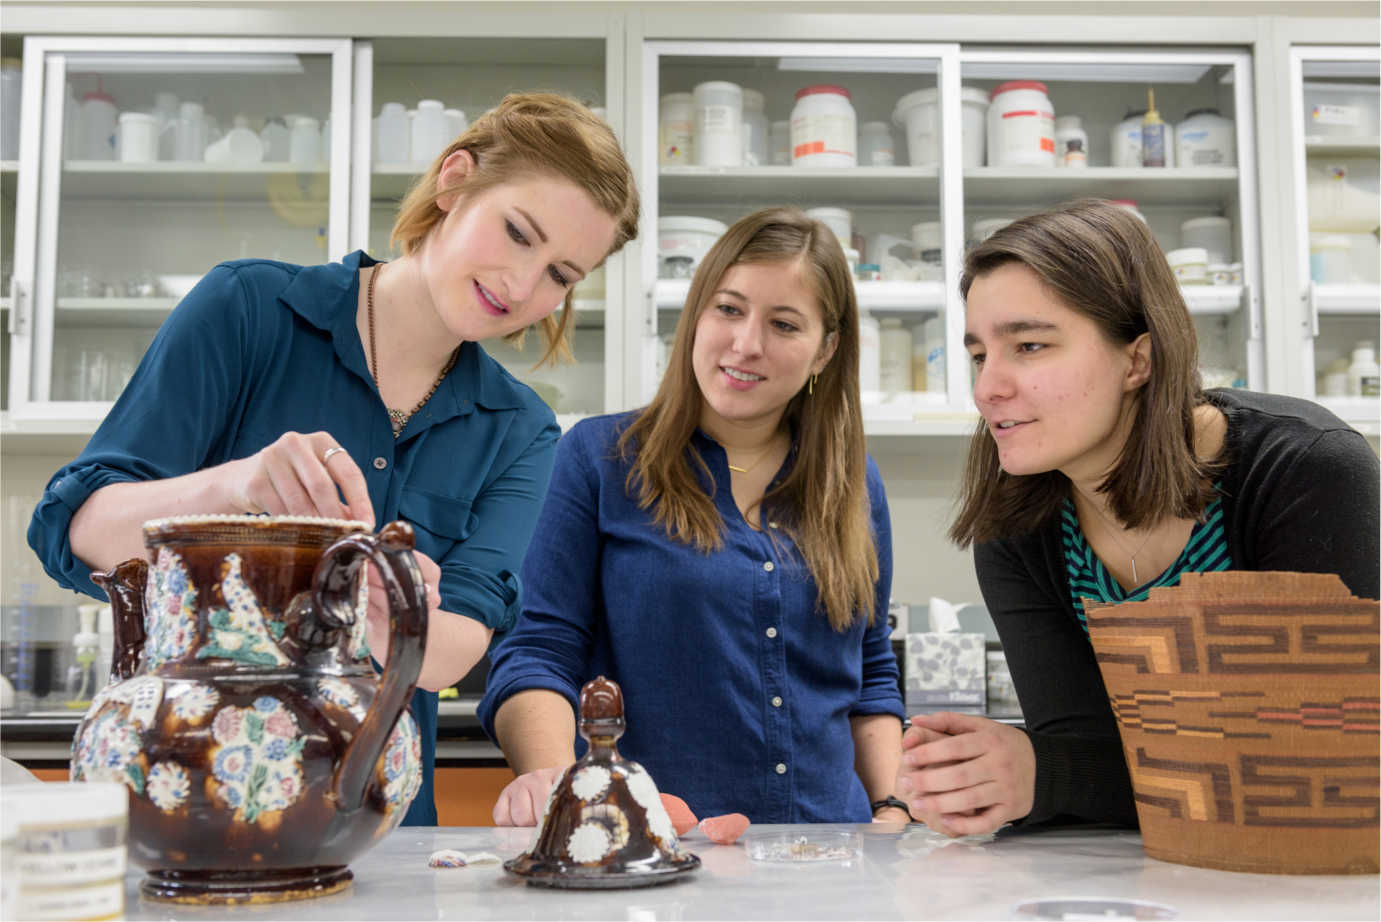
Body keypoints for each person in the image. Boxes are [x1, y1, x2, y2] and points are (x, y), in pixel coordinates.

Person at [27, 92, 640, 826]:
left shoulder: (520, 428)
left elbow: (452, 650)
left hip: (374, 821)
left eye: (561, 274)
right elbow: (76, 531)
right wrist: (238, 486)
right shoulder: (250, 310)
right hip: (184, 807)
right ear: (454, 182)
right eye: (515, 232)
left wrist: (387, 613)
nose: (522, 285)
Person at [897, 198, 1380, 836]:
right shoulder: (1019, 527)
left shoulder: (1305, 472)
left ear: (1138, 359)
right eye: (981, 355)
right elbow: (1088, 746)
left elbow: (1324, 760)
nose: (988, 388)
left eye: (1030, 345)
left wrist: (1048, 773)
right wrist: (1019, 770)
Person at [478, 206, 910, 826]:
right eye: (728, 309)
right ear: (696, 314)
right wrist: (558, 783)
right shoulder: (601, 459)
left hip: (833, 849)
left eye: (785, 325)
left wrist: (890, 805)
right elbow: (539, 650)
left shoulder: (854, 483)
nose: (746, 344)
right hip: (655, 843)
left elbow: (870, 671)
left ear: (825, 350)